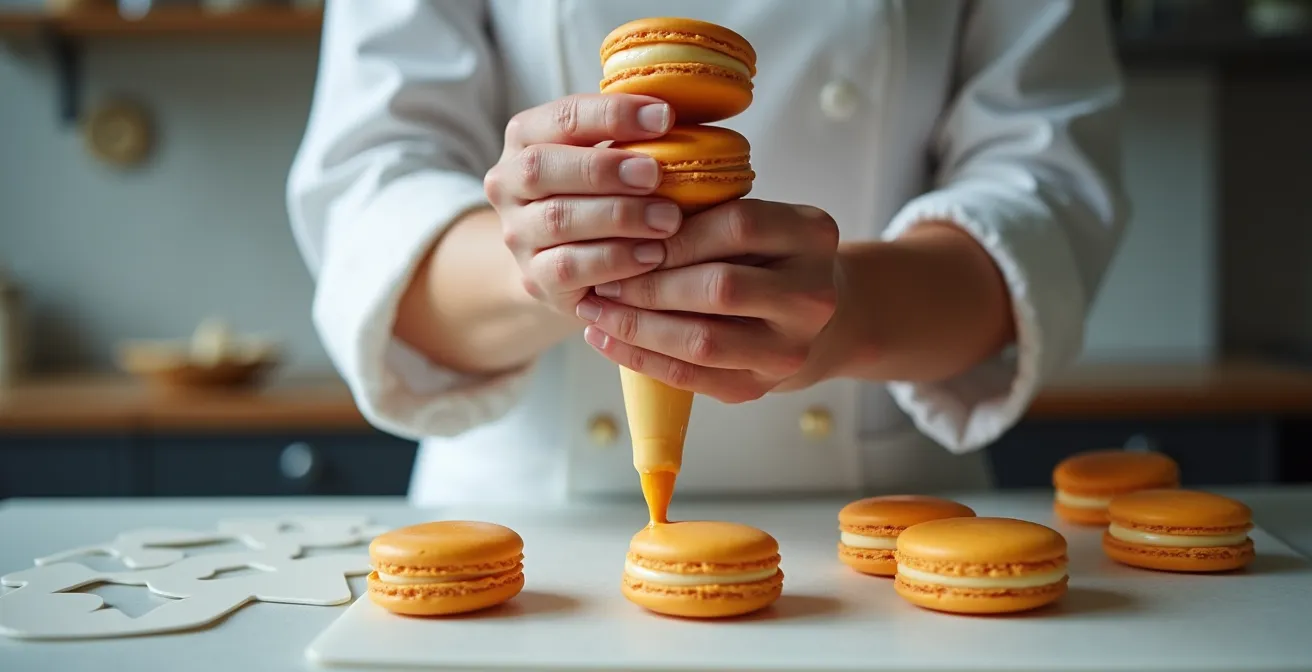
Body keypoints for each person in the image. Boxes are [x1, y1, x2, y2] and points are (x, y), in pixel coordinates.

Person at [287, 1, 1127, 506]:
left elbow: (1043, 190)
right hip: (530, 524)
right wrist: (539, 261)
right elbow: (373, 200)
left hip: (880, 524)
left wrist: (853, 312)